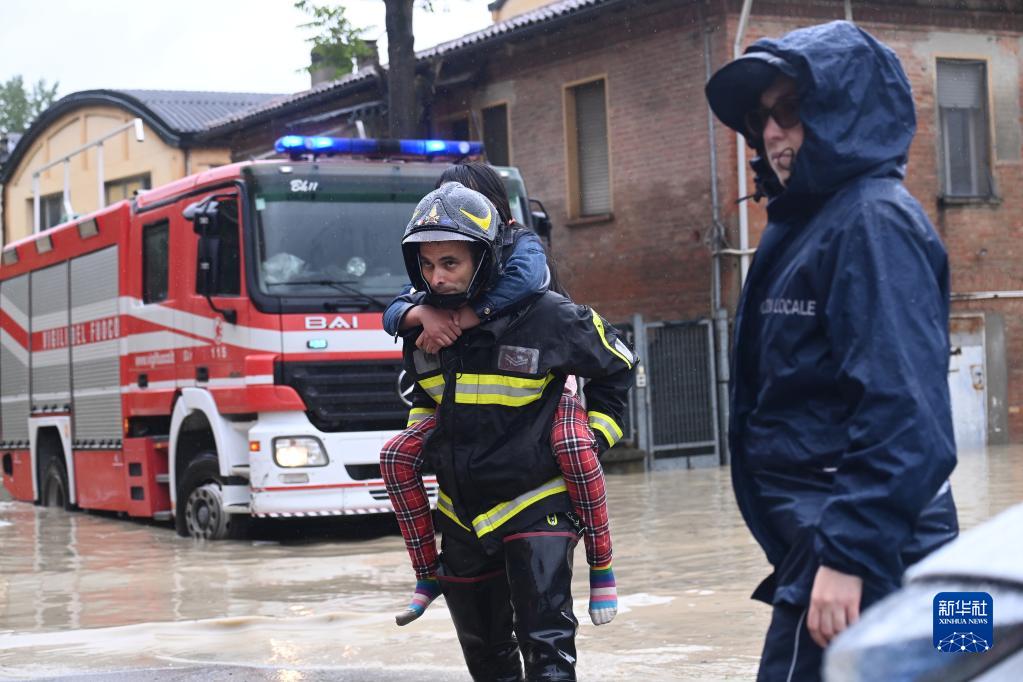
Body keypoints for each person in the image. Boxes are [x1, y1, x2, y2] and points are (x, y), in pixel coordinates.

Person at [705, 21, 959, 681]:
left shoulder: (872, 222)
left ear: (843, 111)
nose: (771, 133)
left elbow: (907, 415)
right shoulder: (809, 225)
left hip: (865, 550)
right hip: (863, 544)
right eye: (761, 118)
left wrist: (847, 557)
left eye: (790, 110)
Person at [388, 181, 635, 681]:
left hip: (537, 502)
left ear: (483, 257)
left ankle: (603, 566)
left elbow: (620, 365)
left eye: (450, 263)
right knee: (486, 657)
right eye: (427, 265)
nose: (437, 278)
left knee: (546, 648)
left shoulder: (549, 316)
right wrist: (424, 446)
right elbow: (425, 400)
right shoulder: (423, 329)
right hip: (460, 514)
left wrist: (595, 437)